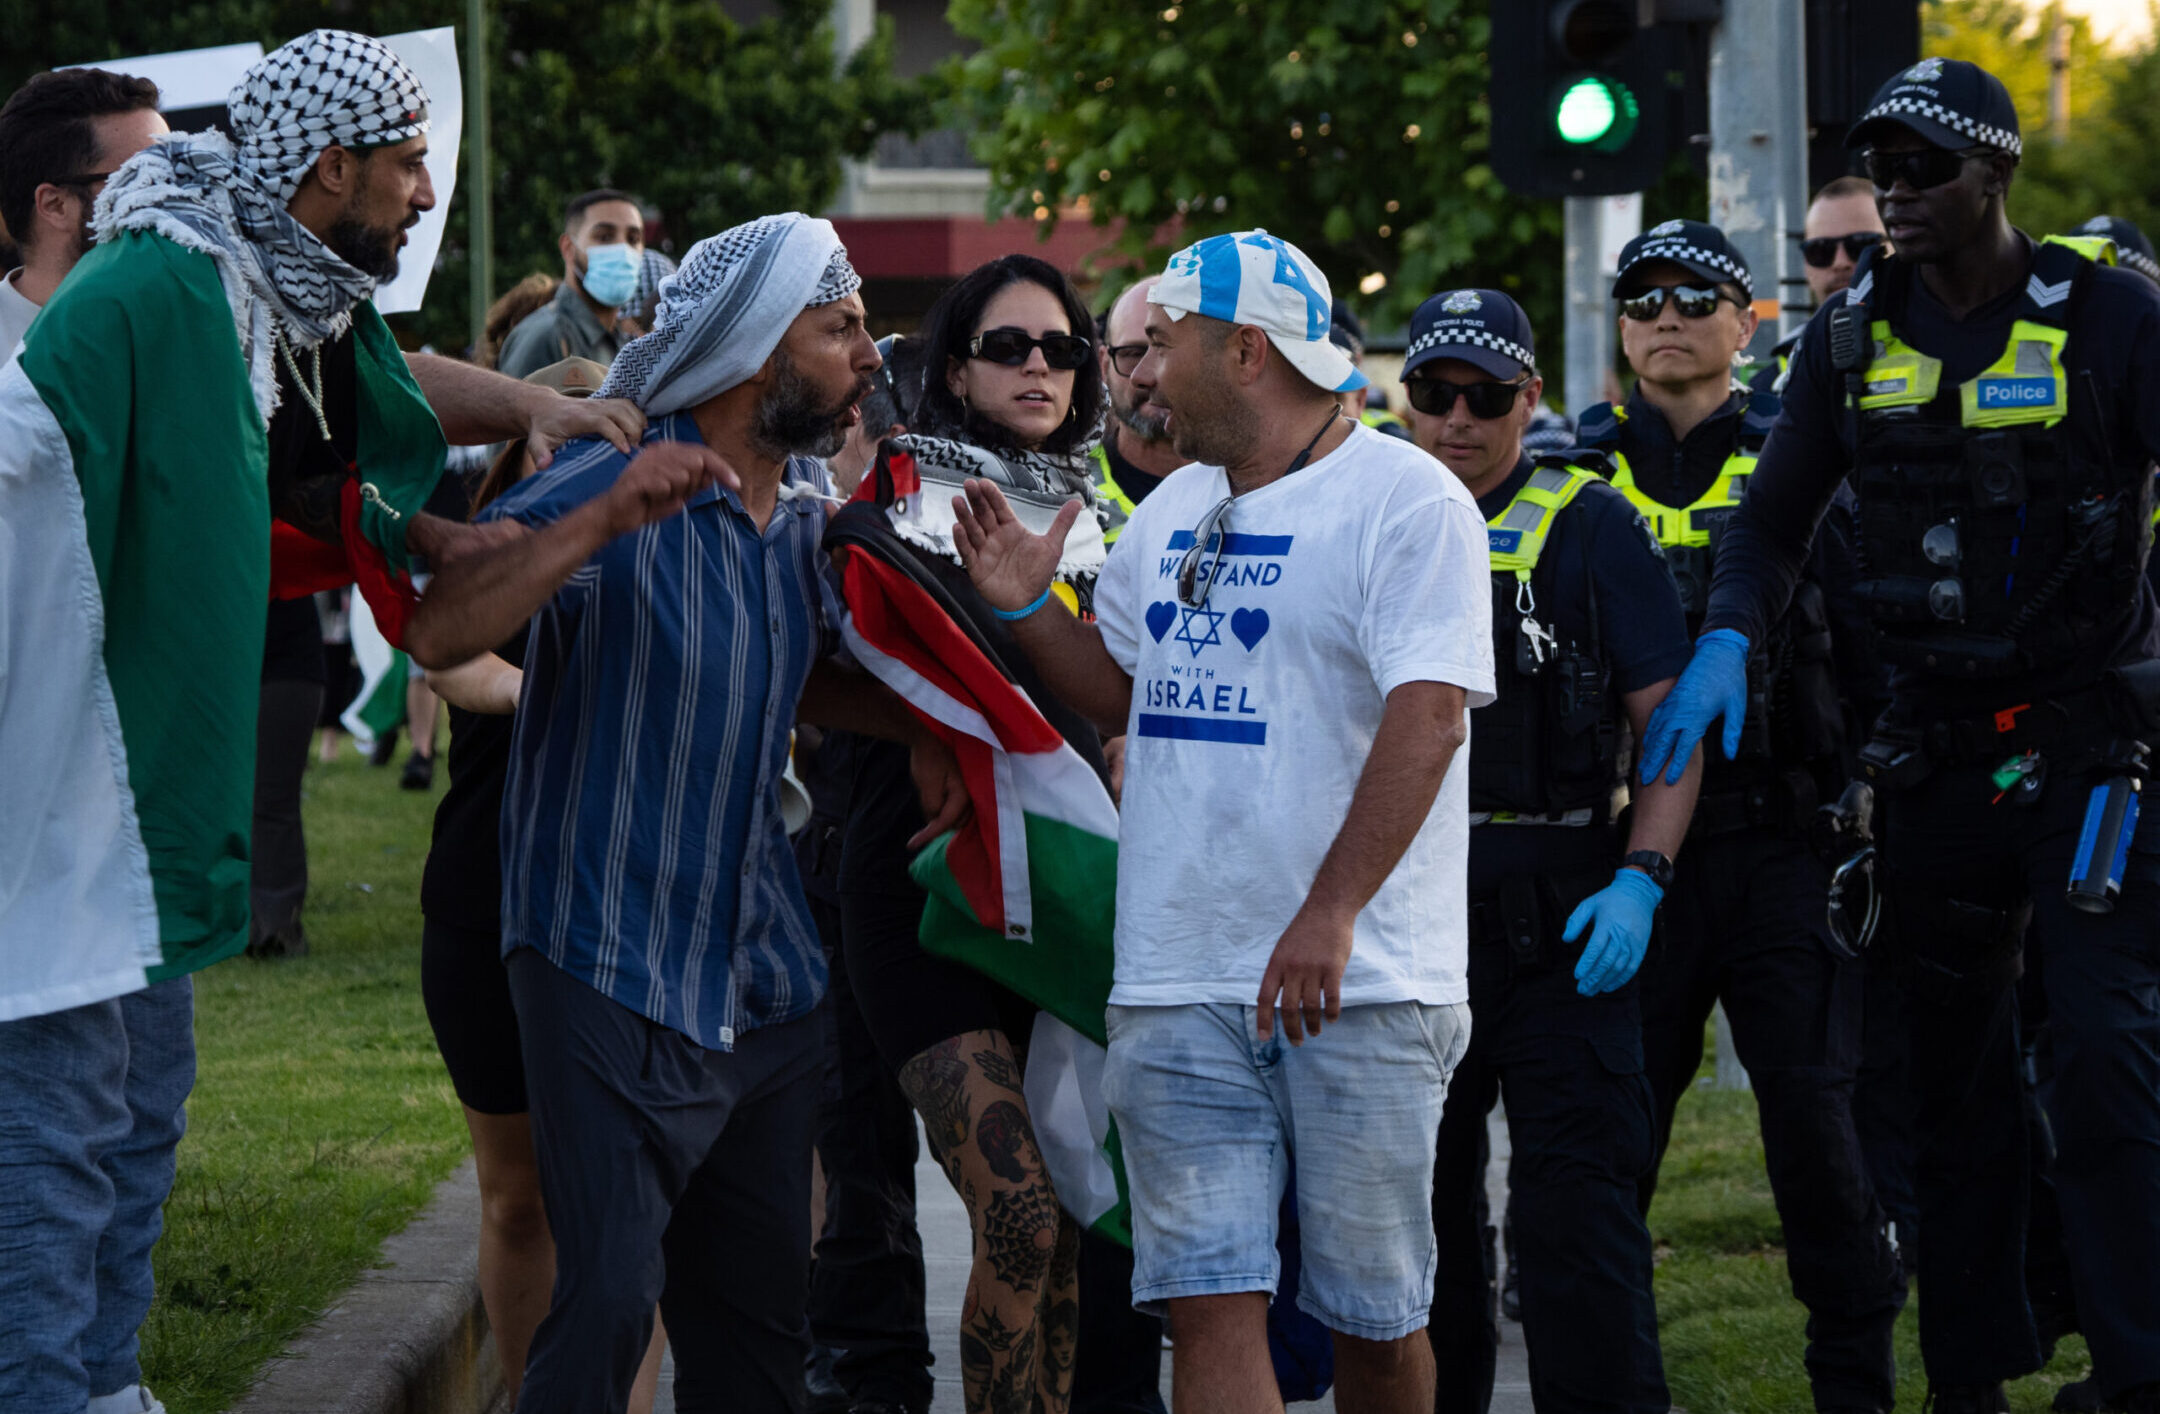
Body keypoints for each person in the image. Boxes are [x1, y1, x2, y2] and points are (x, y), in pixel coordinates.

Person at [1641, 59, 2160, 1412]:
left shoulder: (2110, 320)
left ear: (1998, 172)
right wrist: (1724, 641)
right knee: (1944, 1084)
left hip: (2093, 738)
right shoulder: (1852, 338)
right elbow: (1768, 519)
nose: (1898, 194)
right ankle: (1973, 1372)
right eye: (1882, 168)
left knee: (2103, 1053)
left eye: (1926, 166)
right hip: (1929, 749)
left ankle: (2137, 1362)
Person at [408, 211, 967, 1414]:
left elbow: (787, 669)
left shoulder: (797, 516)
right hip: (602, 956)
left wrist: (926, 730)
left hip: (761, 978)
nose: (871, 354)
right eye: (842, 328)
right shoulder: (612, 474)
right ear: (762, 353)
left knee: (762, 1329)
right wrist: (598, 523)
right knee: (607, 1301)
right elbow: (445, 629)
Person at [951, 229, 1493, 1414]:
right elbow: (1122, 686)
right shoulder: (1176, 508)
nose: (1136, 376)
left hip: (1363, 983)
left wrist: (1330, 912)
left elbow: (1431, 719)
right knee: (1206, 1299)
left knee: (1373, 1317)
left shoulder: (1410, 503)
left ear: (1248, 351)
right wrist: (1026, 607)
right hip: (1177, 978)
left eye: (1165, 347)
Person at [1584, 218, 1905, 1414]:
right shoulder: (1573, 480)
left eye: (1698, 293)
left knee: (1818, 1135)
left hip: (1788, 847)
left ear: (1748, 320)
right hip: (1624, 868)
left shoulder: (1804, 467)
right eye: (1644, 296)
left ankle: (1856, 1386)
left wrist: (1874, 806)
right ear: (1619, 329)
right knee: (1607, 1149)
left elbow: (1874, 660)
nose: (1669, 313)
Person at [1401, 287, 1699, 1414]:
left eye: (1486, 395)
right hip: (1407, 916)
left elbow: (1665, 726)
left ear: (1531, 396)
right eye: (1435, 392)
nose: (1458, 418)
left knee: (1579, 1224)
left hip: (1568, 917)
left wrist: (1644, 876)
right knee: (1417, 1239)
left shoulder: (1592, 523)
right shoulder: (1367, 510)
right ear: (1407, 396)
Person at [839, 252, 1126, 1414]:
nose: (1039, 366)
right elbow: (829, 648)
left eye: (1060, 347)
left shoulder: (1107, 509)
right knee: (1010, 1203)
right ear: (953, 365)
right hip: (922, 879)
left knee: (1056, 1211)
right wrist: (921, 725)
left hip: (1055, 882)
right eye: (1009, 345)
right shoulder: (895, 488)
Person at [415, 358, 668, 1413]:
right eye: (559, 440)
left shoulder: (660, 554)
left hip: (622, 901)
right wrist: (540, 689)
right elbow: (448, 663)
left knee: (622, 1206)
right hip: (489, 890)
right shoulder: (489, 551)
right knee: (519, 1198)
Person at [803, 332, 936, 1414]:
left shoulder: (984, 516)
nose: (879, 432)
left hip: (947, 855)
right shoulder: (810, 523)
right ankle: (869, 1368)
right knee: (852, 1132)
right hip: (838, 852)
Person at [0, 68, 165, 355]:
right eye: (146, 178)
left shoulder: (201, 322)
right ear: (56, 205)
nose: (176, 196)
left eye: (181, 174)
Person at [1752, 177, 1891, 396]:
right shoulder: (1770, 386)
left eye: (1861, 245)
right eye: (1820, 250)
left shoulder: (1947, 336)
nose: (1840, 263)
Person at [495, 188, 645, 378]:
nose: (623, 249)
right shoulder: (545, 336)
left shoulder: (621, 342)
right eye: (605, 237)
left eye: (633, 239)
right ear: (569, 248)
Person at [1093, 274, 1185, 542]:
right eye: (1132, 353)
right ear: (1104, 364)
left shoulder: (1261, 488)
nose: (1149, 375)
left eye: (1168, 352)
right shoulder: (1061, 491)